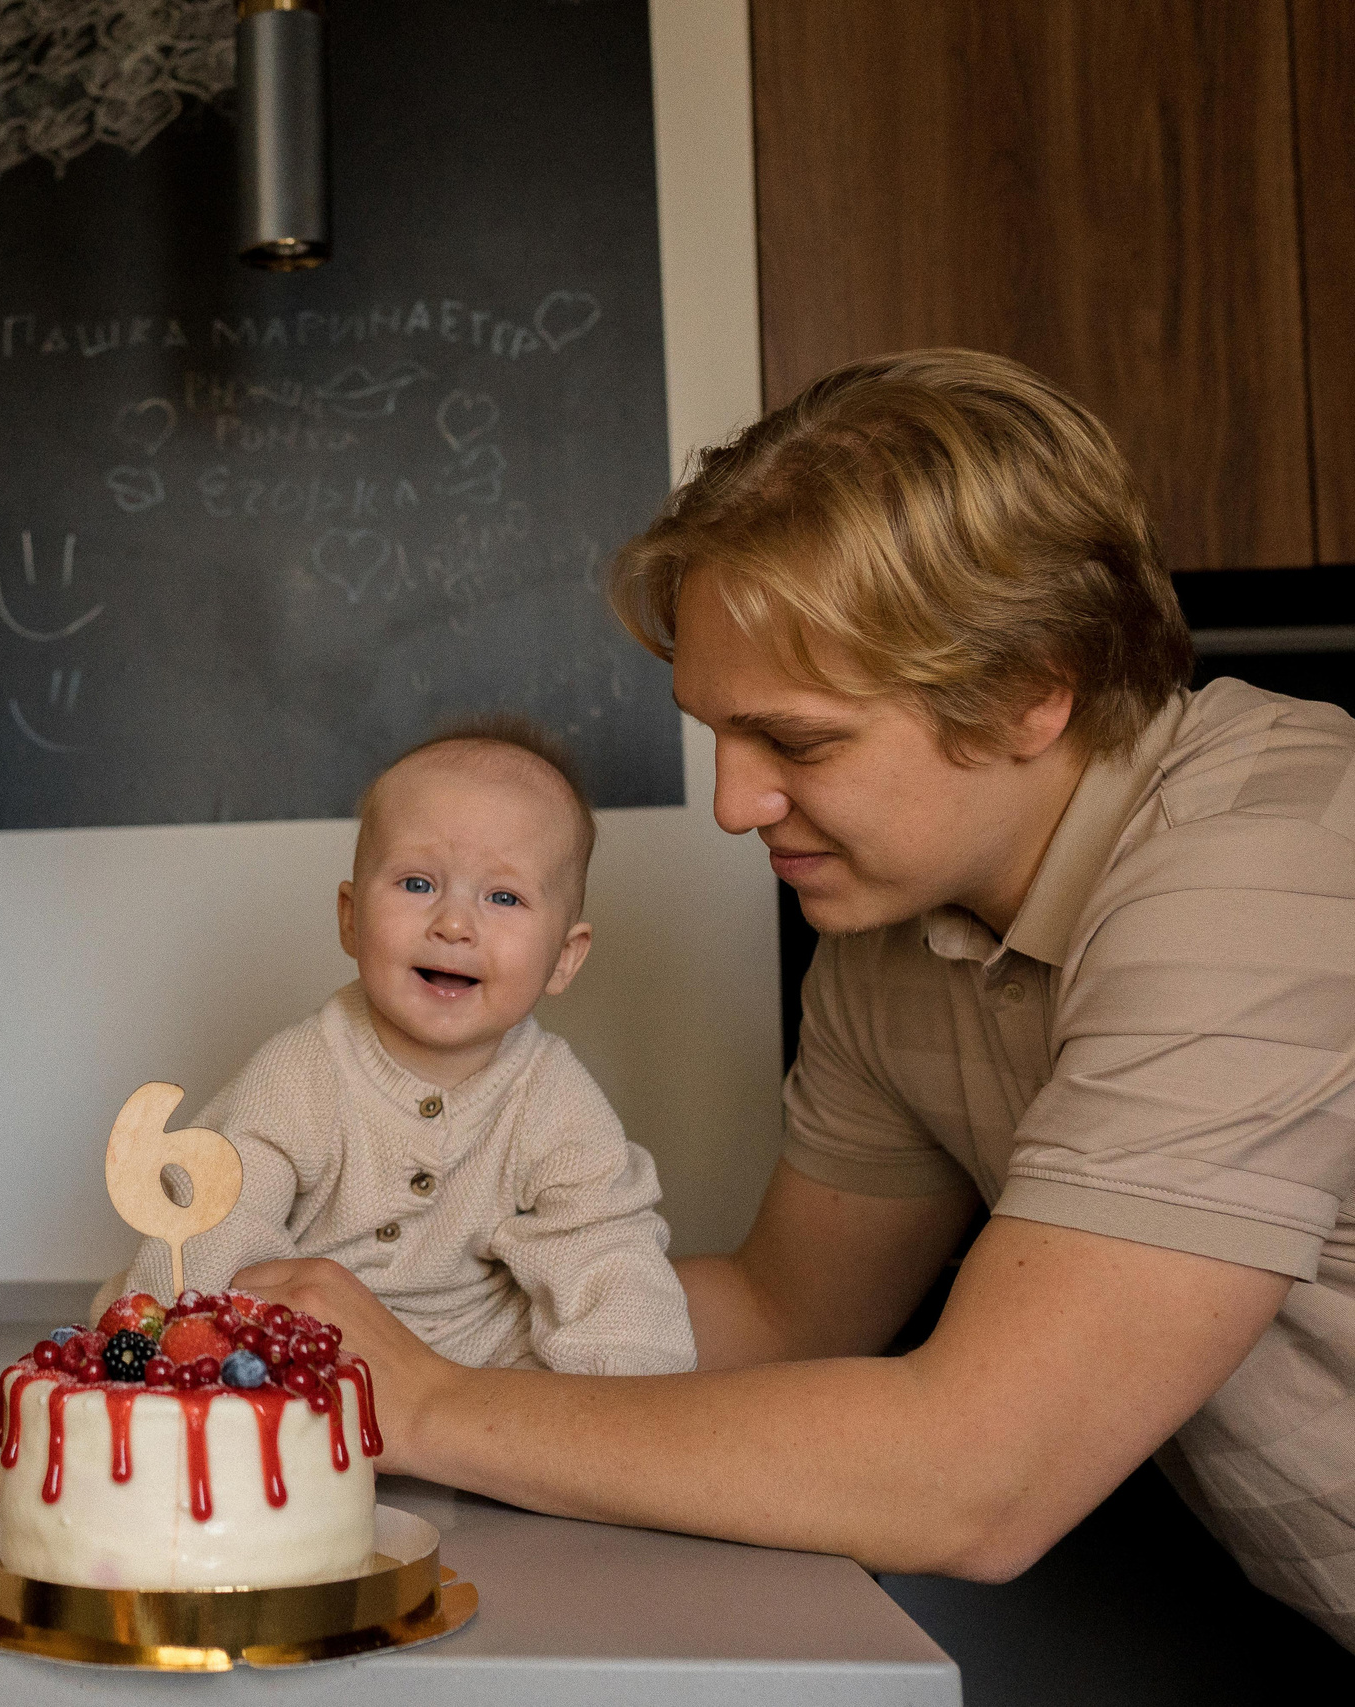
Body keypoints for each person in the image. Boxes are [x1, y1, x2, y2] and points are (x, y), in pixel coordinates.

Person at [240, 349, 1355, 1649]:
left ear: (1029, 691)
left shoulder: (1274, 864)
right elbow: (784, 1310)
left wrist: (418, 1399)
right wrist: (338, 1313)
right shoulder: (896, 935)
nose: (733, 804)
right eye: (716, 731)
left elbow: (979, 1472)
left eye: (800, 741)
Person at [106, 718, 694, 1377]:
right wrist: (187, 1339)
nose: (453, 923)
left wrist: (627, 1388)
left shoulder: (552, 1098)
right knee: (203, 1317)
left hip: (479, 1365)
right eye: (418, 883)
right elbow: (218, 1211)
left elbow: (606, 1248)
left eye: (504, 896)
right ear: (351, 918)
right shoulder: (303, 1071)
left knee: (549, 1364)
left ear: (563, 957)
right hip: (311, 1346)